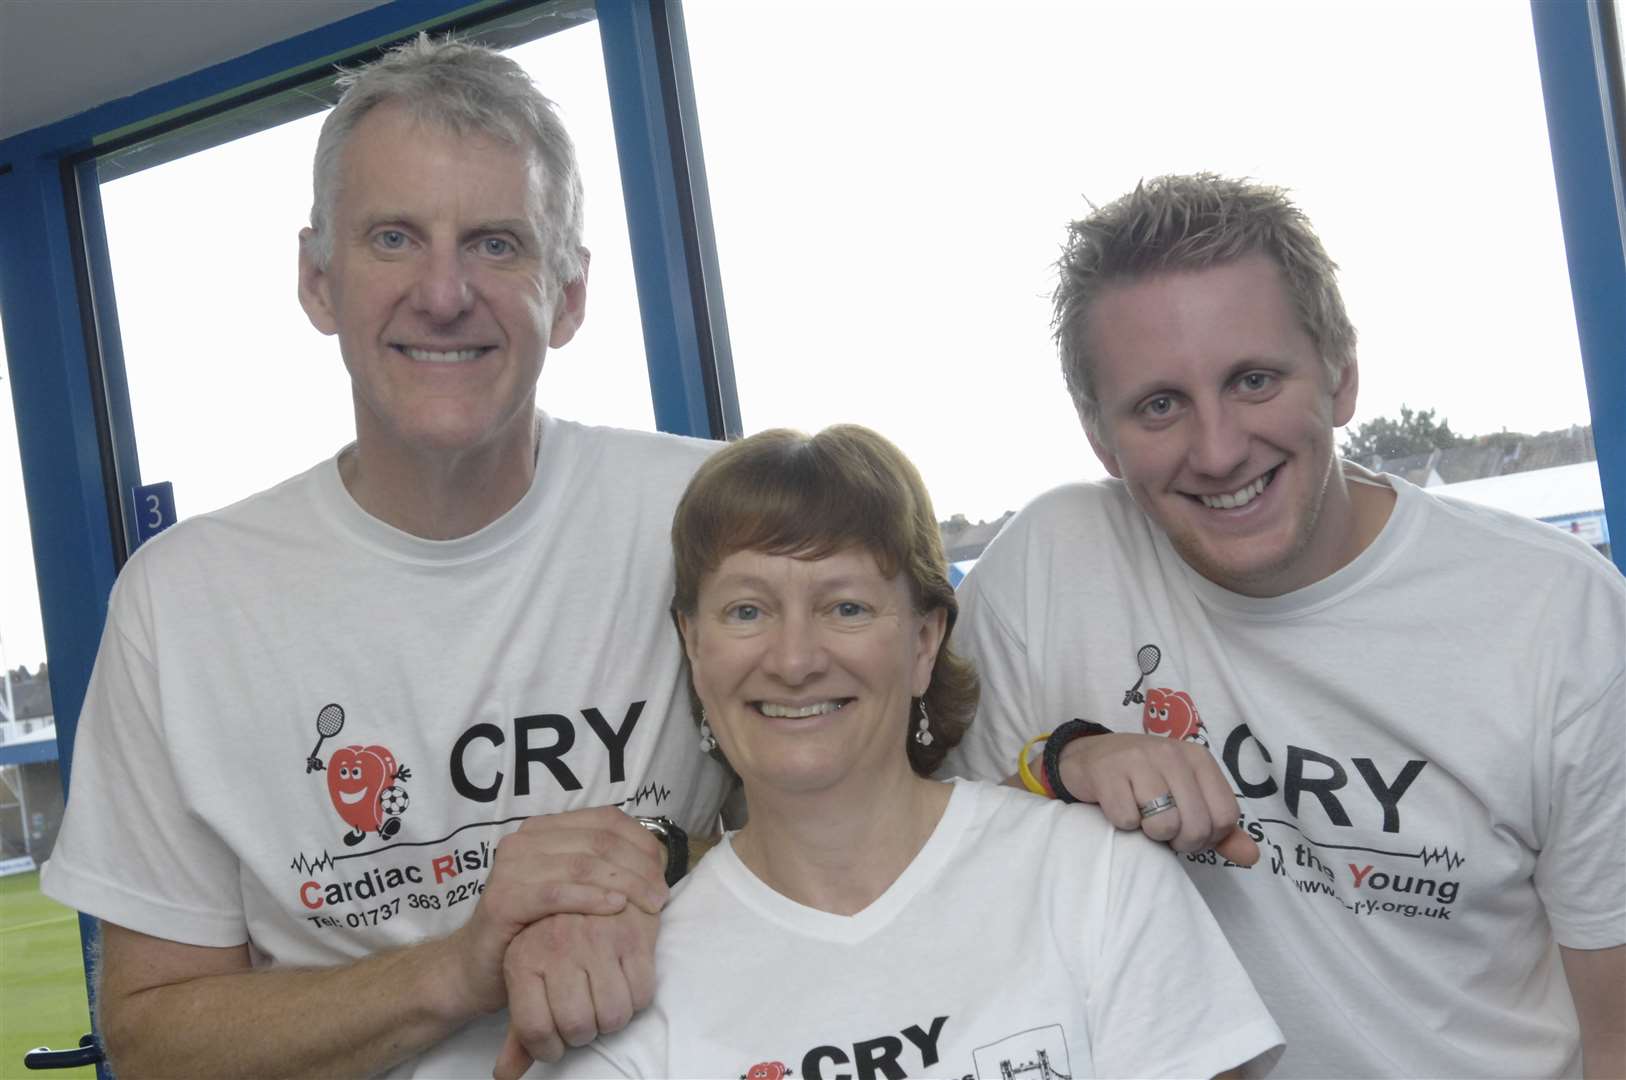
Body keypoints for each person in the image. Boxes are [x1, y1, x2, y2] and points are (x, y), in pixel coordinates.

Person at [40, 36, 732, 1077]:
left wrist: (675, 877)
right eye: (395, 238)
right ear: (319, 281)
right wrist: (464, 966)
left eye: (498, 243)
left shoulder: (707, 514)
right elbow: (151, 1042)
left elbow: (865, 834)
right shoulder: (184, 606)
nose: (445, 292)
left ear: (572, 293)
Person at [945, 173, 1626, 1077]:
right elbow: (932, 862)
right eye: (1159, 404)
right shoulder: (1049, 564)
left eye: (1253, 380)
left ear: (1341, 375)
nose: (1219, 448)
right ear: (1100, 436)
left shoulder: (1556, 612)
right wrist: (1066, 758)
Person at [490, 424, 1278, 1078]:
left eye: (846, 605)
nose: (794, 660)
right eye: (745, 610)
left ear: (925, 641)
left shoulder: (1097, 879)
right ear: (694, 647)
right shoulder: (633, 972)